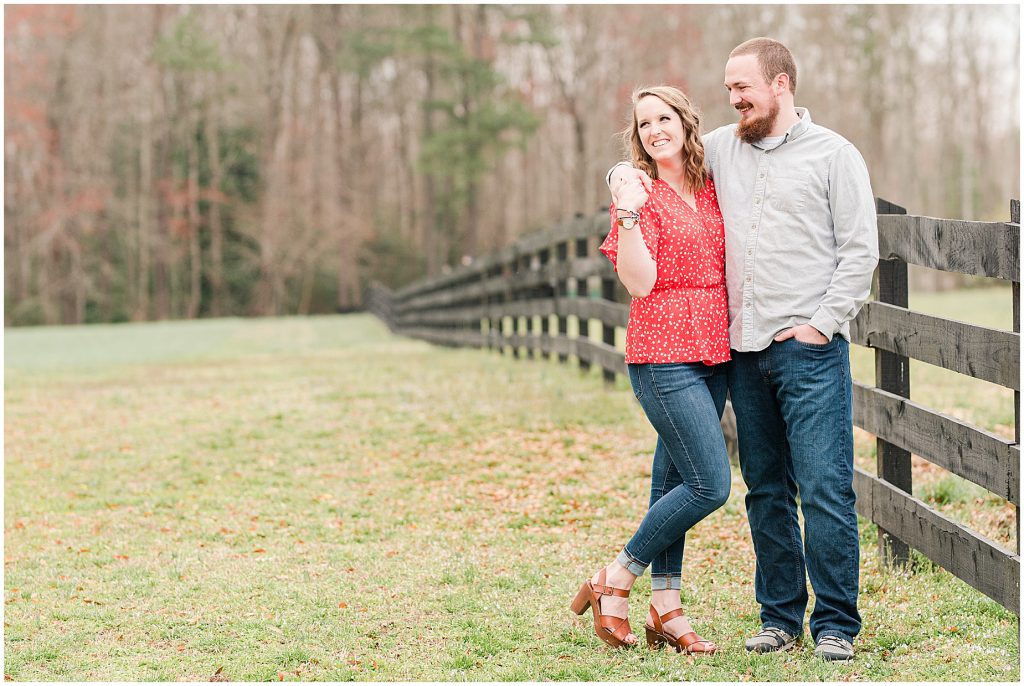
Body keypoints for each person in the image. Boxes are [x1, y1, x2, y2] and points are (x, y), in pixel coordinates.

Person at [608, 37, 878, 662]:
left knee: (825, 488)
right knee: (763, 488)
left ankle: (836, 622)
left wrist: (822, 324)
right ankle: (779, 617)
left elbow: (860, 251)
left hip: (809, 350)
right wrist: (620, 175)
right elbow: (654, 163)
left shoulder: (835, 155)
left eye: (742, 88)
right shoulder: (722, 151)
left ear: (781, 84)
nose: (732, 100)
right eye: (728, 90)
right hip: (742, 354)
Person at [570, 86, 731, 655]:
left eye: (664, 118)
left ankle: (667, 609)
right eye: (643, 124)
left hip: (714, 353)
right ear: (637, 138)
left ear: (686, 123)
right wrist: (630, 209)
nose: (655, 129)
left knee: (673, 484)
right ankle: (615, 579)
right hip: (664, 356)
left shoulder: (713, 183)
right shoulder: (639, 192)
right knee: (711, 485)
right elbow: (639, 282)